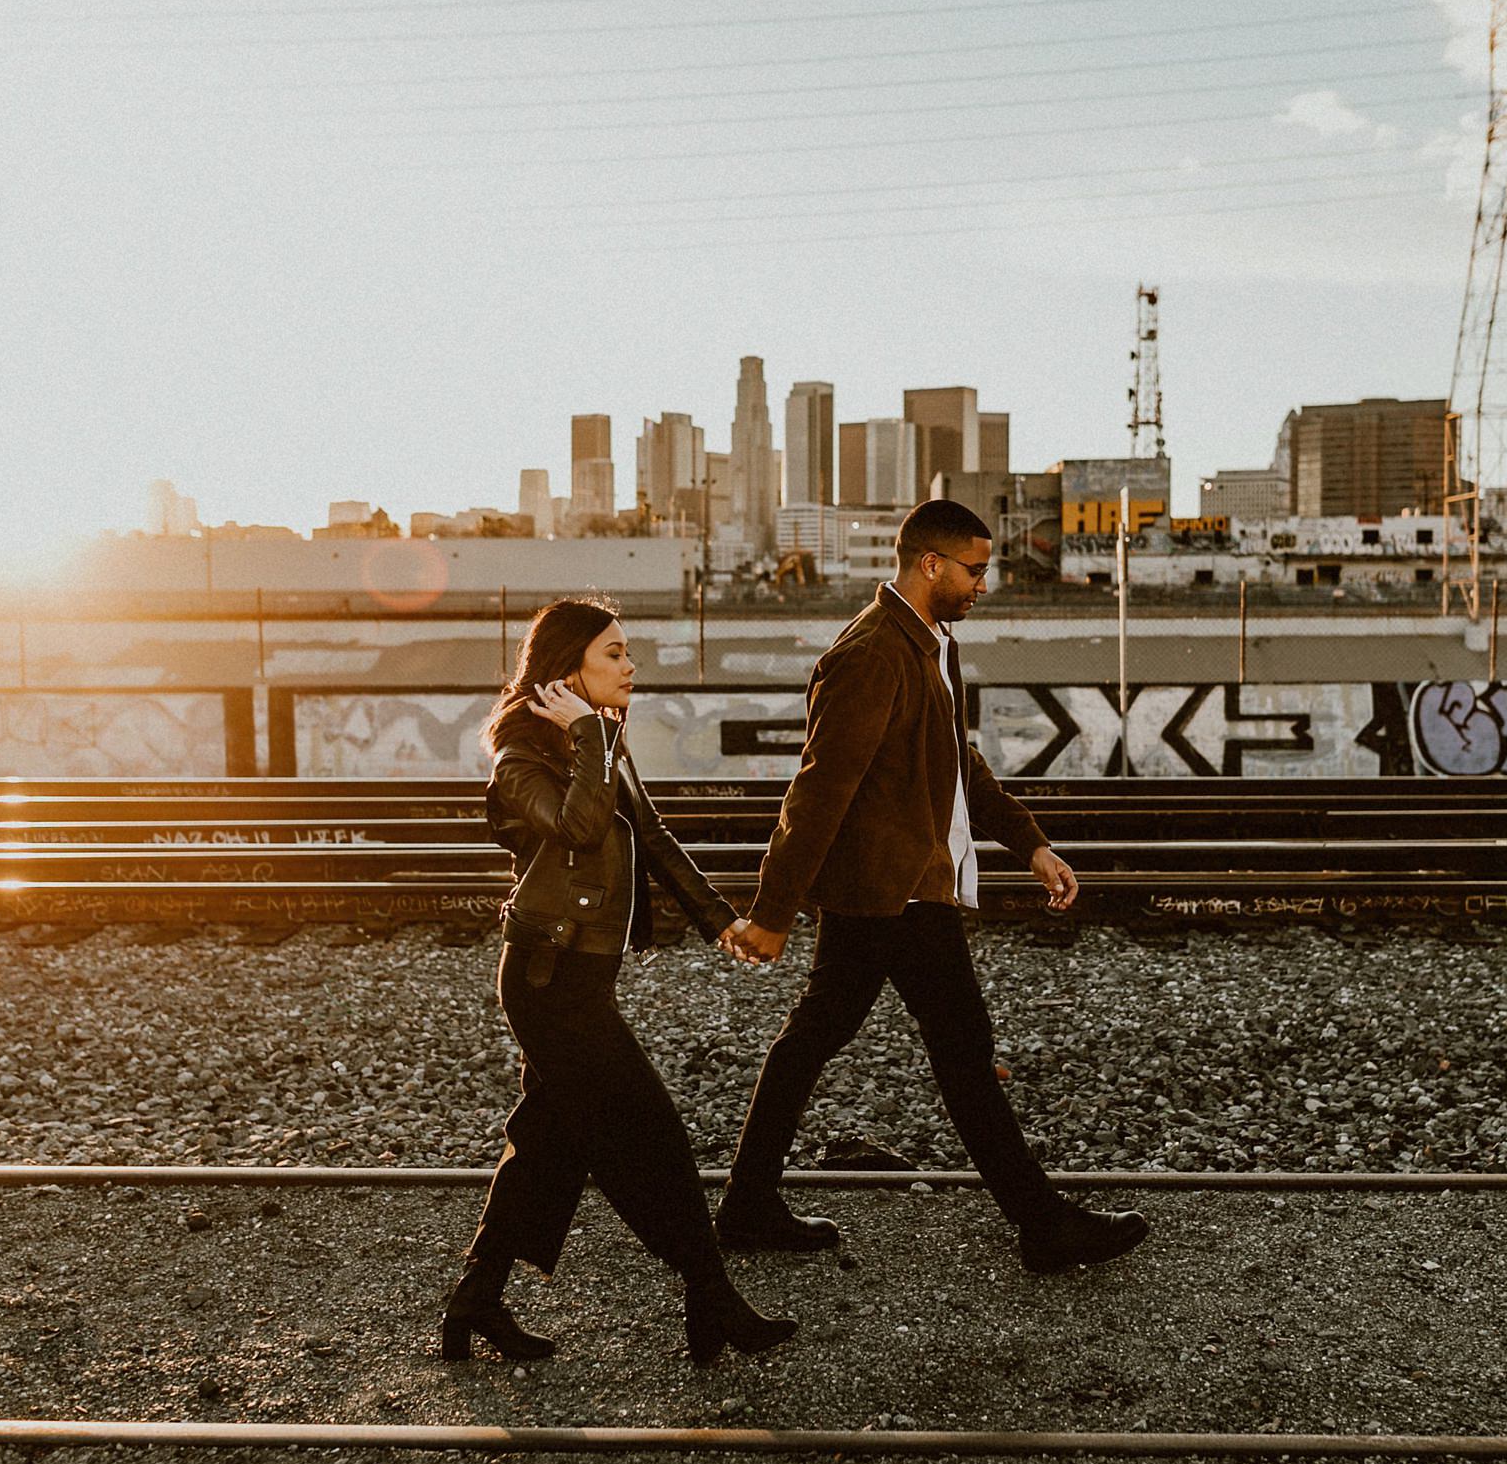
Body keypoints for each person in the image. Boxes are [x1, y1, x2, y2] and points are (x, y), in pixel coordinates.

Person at [715, 500, 1151, 1274]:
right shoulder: (875, 654)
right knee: (952, 1052)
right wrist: (771, 912)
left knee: (832, 1042)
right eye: (975, 570)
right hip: (890, 895)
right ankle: (1042, 1225)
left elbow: (962, 768)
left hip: (904, 890)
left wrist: (1031, 843)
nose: (985, 584)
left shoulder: (929, 647)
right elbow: (817, 793)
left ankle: (749, 1203)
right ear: (930, 565)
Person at [443, 598, 798, 1366]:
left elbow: (654, 838)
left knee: (546, 1145)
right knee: (656, 1140)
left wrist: (722, 923)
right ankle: (713, 1301)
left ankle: (474, 1301)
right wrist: (585, 734)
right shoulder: (524, 757)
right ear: (567, 668)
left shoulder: (601, 740)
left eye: (628, 653)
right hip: (549, 981)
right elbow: (576, 827)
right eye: (614, 654)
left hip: (582, 977)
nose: (631, 666)